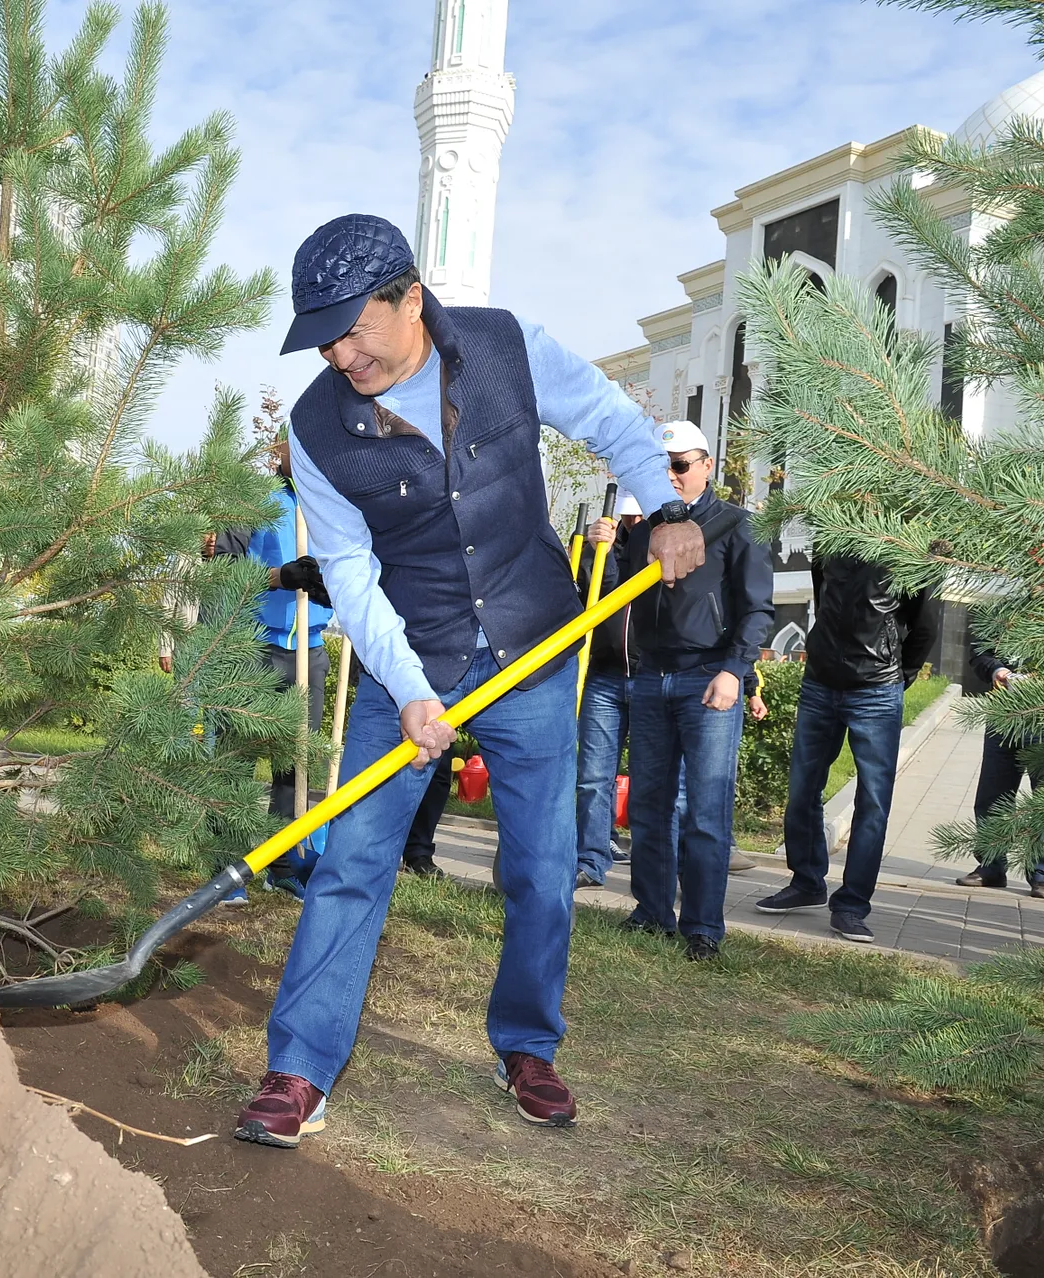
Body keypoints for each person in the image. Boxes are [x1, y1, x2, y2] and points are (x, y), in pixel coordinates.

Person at [232, 213, 700, 1148]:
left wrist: (665, 507)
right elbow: (352, 574)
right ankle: (299, 1068)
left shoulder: (504, 346)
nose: (338, 353)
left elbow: (612, 421)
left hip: (533, 644)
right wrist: (408, 690)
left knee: (541, 866)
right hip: (412, 657)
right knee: (354, 862)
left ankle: (527, 1045)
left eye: (353, 328)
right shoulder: (317, 427)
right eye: (322, 336)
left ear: (410, 299)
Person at [618, 422, 773, 960]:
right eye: (664, 467)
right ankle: (651, 911)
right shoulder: (643, 532)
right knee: (648, 805)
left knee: (706, 810)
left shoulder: (735, 526)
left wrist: (735, 671)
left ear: (707, 464)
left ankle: (703, 926)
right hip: (650, 677)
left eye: (682, 465)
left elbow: (757, 609)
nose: (672, 476)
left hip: (708, 678)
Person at [755, 553, 938, 942]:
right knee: (802, 789)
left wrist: (895, 677)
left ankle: (852, 905)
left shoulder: (910, 548)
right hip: (820, 683)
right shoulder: (829, 541)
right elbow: (824, 602)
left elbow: (925, 628)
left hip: (876, 689)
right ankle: (806, 882)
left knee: (872, 802)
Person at [207, 437, 336, 900]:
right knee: (237, 760)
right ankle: (228, 867)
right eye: (290, 447)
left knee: (294, 764)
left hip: (312, 651)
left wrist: (331, 588)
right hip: (256, 648)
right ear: (280, 451)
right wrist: (281, 577)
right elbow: (222, 568)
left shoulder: (335, 502)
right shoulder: (256, 501)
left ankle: (283, 862)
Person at [954, 648, 1044, 899]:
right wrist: (997, 670)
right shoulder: (1000, 611)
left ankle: (1043, 876)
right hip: (1002, 717)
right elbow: (979, 653)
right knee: (992, 797)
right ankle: (991, 867)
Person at [575, 491, 645, 889]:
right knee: (593, 777)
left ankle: (658, 864)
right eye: (627, 519)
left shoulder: (664, 541)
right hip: (604, 675)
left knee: (654, 780)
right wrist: (591, 549)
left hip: (651, 673)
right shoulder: (605, 549)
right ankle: (592, 859)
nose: (632, 526)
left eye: (638, 519)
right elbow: (596, 595)